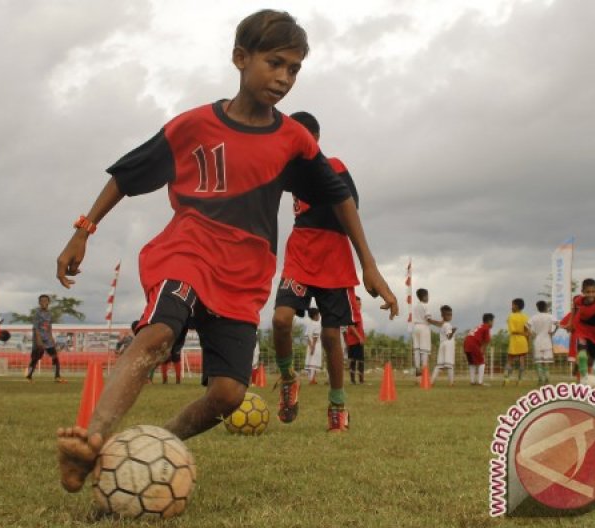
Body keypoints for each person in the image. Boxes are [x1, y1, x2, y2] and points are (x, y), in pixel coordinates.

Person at [54, 9, 398, 493]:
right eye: (275, 63)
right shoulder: (192, 126)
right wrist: (83, 229)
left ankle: (152, 447)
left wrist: (370, 266)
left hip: (245, 274)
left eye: (294, 69)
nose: (283, 78)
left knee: (229, 394)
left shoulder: (293, 140)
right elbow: (128, 175)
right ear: (240, 58)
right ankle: (92, 440)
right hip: (187, 250)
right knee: (156, 335)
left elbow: (338, 195)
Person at [271, 111, 375, 430]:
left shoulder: (335, 165)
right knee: (280, 319)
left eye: (300, 135)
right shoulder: (287, 171)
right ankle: (289, 380)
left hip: (334, 254)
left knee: (331, 336)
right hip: (301, 250)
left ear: (314, 138)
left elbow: (350, 204)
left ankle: (337, 405)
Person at [567, 279, 595, 380]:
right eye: (588, 292)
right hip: (582, 329)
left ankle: (580, 367)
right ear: (582, 292)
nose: (591, 294)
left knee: (591, 359)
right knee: (582, 355)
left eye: (593, 292)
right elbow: (574, 308)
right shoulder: (578, 300)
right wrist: (570, 322)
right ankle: (582, 380)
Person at [26, 295, 66, 383]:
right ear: (39, 303)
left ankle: (57, 377)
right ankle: (29, 376)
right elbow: (35, 328)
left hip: (47, 338)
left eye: (45, 301)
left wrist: (52, 338)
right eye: (42, 301)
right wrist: (39, 340)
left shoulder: (49, 314)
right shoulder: (37, 313)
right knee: (35, 358)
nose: (44, 302)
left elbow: (49, 327)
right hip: (38, 338)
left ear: (48, 302)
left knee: (55, 356)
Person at [411, 288, 443, 380]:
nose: (428, 297)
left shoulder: (416, 306)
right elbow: (428, 319)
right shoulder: (425, 306)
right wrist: (439, 323)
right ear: (424, 296)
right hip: (423, 327)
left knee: (416, 350)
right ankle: (424, 373)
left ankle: (417, 372)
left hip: (416, 327)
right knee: (424, 351)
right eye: (427, 296)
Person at [528, 301, 557, 386]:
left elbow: (526, 325)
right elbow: (558, 324)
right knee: (546, 362)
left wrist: (532, 333)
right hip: (547, 341)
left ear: (538, 308)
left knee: (539, 362)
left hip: (537, 341)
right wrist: (553, 332)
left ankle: (541, 379)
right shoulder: (550, 316)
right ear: (546, 307)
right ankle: (547, 379)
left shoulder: (534, 317)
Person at [503, 298, 529, 386]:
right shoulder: (525, 317)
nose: (511, 307)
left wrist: (521, 332)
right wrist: (526, 339)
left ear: (516, 306)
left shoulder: (511, 316)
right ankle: (520, 380)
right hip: (523, 340)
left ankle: (507, 379)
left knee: (510, 360)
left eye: (513, 305)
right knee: (522, 360)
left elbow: (513, 331)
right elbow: (527, 331)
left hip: (514, 340)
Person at [463, 313, 494, 386]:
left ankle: (472, 381)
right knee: (482, 363)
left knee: (472, 363)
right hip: (473, 344)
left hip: (466, 343)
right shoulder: (486, 327)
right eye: (492, 321)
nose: (493, 323)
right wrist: (483, 351)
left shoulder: (480, 326)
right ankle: (480, 382)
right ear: (489, 321)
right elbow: (486, 341)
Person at [431, 306, 457, 386]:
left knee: (439, 365)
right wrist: (453, 331)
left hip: (442, 344)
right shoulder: (448, 325)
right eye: (448, 315)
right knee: (449, 364)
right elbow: (449, 336)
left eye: (450, 315)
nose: (450, 316)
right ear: (443, 316)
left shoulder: (442, 325)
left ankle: (431, 381)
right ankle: (451, 382)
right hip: (448, 344)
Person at [344, 297, 367, 386]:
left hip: (357, 340)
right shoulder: (353, 314)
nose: (360, 305)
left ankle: (359, 380)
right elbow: (352, 327)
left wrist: (363, 334)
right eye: (358, 304)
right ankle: (356, 380)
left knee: (357, 360)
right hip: (354, 341)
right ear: (354, 304)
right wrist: (360, 337)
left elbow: (358, 327)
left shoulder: (357, 314)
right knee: (356, 361)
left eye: (360, 304)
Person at [302, 308, 322, 385]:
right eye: (318, 314)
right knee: (314, 362)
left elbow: (307, 336)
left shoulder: (309, 324)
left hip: (309, 345)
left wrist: (310, 345)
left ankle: (311, 378)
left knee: (310, 361)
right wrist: (313, 346)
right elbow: (315, 336)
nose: (319, 316)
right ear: (315, 316)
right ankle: (312, 379)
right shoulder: (317, 324)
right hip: (316, 345)